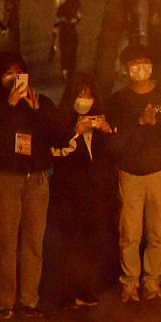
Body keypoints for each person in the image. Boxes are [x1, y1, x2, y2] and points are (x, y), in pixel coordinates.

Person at [0, 52, 68, 319]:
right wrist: (9, 105)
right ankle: (4, 302)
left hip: (37, 178)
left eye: (19, 72)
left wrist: (38, 111)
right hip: (6, 177)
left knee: (33, 241)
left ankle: (29, 301)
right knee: (5, 241)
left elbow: (61, 136)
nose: (14, 77)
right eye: (8, 72)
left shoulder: (41, 102)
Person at [107, 44, 161, 303]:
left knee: (157, 232)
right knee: (130, 233)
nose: (140, 69)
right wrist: (139, 124)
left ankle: (152, 280)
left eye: (145, 63)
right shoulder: (119, 100)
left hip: (160, 171)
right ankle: (129, 282)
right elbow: (114, 141)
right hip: (131, 172)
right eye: (134, 64)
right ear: (126, 69)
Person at [50, 73, 117, 307]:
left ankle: (88, 288)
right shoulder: (61, 119)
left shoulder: (100, 120)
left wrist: (107, 131)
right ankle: (67, 291)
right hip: (69, 192)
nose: (85, 100)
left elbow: (111, 156)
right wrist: (75, 132)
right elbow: (56, 153)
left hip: (95, 191)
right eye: (80, 95)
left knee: (92, 240)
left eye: (89, 95)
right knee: (70, 242)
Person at [50, 0, 82, 81]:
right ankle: (70, 73)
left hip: (65, 34)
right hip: (70, 34)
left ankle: (66, 73)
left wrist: (54, 36)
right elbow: (78, 18)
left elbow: (56, 23)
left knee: (65, 54)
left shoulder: (62, 8)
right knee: (71, 54)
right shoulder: (74, 9)